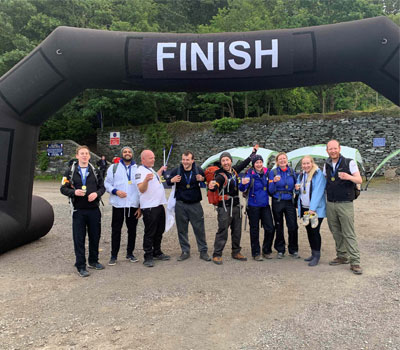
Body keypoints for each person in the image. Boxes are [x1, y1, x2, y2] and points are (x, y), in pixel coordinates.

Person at [208, 145, 258, 265]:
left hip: (236, 206)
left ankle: (236, 251)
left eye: (227, 160)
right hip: (224, 207)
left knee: (237, 231)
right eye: (223, 161)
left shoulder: (234, 170)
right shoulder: (219, 174)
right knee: (222, 230)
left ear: (231, 161)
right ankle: (217, 254)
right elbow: (217, 182)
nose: (225, 162)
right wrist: (213, 186)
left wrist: (253, 153)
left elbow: (245, 163)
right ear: (221, 163)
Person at [60, 145, 105, 277]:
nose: (84, 155)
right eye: (82, 153)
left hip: (93, 210)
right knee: (79, 239)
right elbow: (63, 189)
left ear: (89, 156)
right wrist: (74, 192)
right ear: (77, 156)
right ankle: (81, 265)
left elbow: (102, 187)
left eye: (86, 153)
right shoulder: (69, 171)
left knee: (95, 236)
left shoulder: (95, 171)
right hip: (78, 210)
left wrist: (97, 194)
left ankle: (93, 261)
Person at [324, 140, 363, 275]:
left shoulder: (349, 162)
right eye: (330, 149)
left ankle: (355, 261)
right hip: (331, 203)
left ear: (339, 149)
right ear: (327, 151)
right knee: (335, 231)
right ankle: (342, 256)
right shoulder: (327, 164)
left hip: (345, 203)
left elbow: (359, 180)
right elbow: (324, 181)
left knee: (348, 232)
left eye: (335, 148)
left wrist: (348, 177)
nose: (333, 151)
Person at [166, 151, 211, 262]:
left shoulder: (198, 170)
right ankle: (185, 251)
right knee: (182, 229)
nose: (185, 162)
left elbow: (206, 180)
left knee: (199, 229)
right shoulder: (176, 170)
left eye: (187, 160)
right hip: (181, 204)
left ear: (192, 160)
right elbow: (168, 182)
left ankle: (203, 251)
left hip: (195, 204)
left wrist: (203, 180)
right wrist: (172, 180)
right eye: (183, 159)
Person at [104, 146, 141, 266]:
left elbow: (141, 188)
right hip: (118, 204)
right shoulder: (113, 168)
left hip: (133, 204)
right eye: (125, 152)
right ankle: (114, 255)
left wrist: (140, 206)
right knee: (116, 230)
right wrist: (115, 191)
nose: (127, 153)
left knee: (132, 230)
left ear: (132, 154)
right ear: (122, 154)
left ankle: (130, 253)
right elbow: (106, 183)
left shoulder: (138, 169)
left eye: (129, 152)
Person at [135, 150, 170, 267]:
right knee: (150, 232)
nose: (153, 159)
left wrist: (161, 170)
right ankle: (148, 256)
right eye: (151, 158)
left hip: (159, 205)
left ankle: (157, 251)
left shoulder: (151, 170)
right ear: (143, 159)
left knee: (159, 230)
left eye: (154, 157)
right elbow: (141, 189)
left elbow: (155, 177)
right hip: (149, 207)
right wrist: (145, 180)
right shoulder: (140, 171)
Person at [239, 154, 275, 261]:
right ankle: (256, 252)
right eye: (256, 162)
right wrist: (242, 183)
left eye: (260, 162)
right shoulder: (249, 174)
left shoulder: (267, 173)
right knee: (254, 230)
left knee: (270, 228)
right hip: (253, 205)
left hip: (264, 205)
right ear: (253, 164)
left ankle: (266, 250)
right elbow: (242, 188)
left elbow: (271, 187)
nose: (259, 164)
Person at [295, 156, 326, 266]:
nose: (306, 166)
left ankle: (317, 255)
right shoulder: (302, 175)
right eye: (304, 164)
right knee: (309, 230)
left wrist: (312, 209)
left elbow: (318, 192)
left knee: (314, 231)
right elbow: (301, 191)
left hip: (314, 210)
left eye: (308, 163)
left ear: (312, 163)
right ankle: (313, 253)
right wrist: (296, 189)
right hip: (304, 208)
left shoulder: (319, 175)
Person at [268, 152, 299, 259]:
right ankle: (280, 249)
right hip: (278, 201)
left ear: (287, 160)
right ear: (277, 161)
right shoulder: (273, 172)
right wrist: (274, 182)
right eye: (280, 159)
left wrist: (297, 188)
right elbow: (270, 191)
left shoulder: (291, 171)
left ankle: (293, 249)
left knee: (293, 226)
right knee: (278, 225)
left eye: (284, 158)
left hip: (289, 201)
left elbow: (296, 186)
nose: (282, 160)